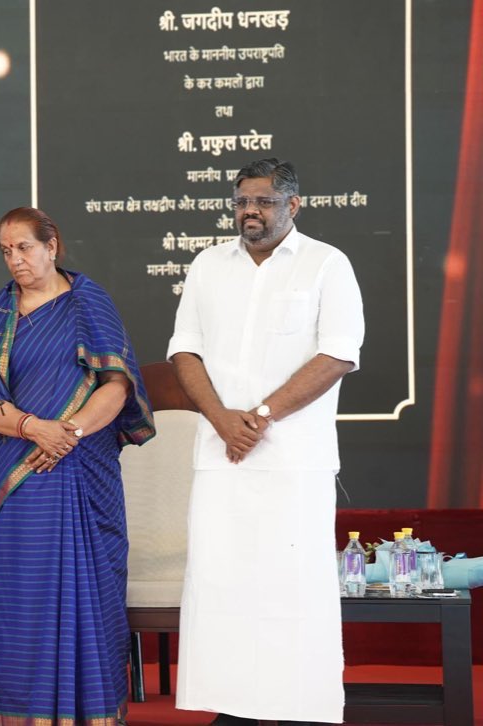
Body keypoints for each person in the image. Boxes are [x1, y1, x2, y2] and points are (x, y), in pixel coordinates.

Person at [169, 158, 365, 725]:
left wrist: (257, 417)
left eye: (263, 202)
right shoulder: (208, 264)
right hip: (220, 457)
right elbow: (185, 350)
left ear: (293, 205)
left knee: (292, 592)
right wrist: (222, 420)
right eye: (241, 202)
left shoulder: (328, 264)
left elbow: (337, 354)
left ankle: (298, 708)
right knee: (221, 589)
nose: (250, 212)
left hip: (293, 462)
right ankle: (232, 709)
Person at [0, 207, 155, 725]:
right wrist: (33, 429)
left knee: (88, 595)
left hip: (80, 468)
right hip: (15, 472)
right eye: (6, 250)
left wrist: (67, 434)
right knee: (20, 602)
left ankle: (86, 712)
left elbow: (116, 385)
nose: (15, 260)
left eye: (24, 247)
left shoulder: (89, 303)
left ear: (53, 245)